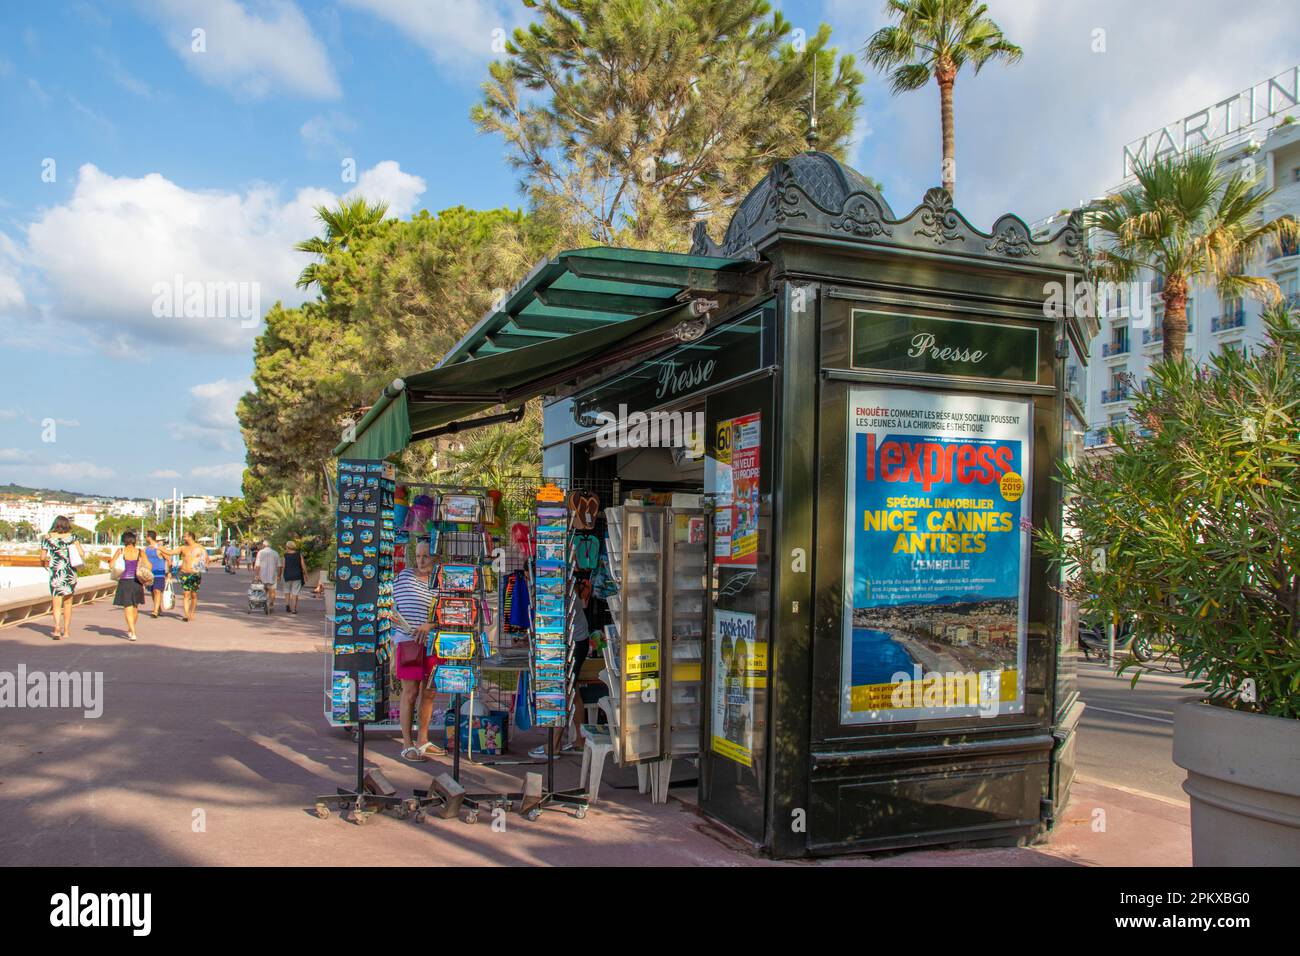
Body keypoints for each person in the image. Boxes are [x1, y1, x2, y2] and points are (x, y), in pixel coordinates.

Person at [391, 541, 446, 760]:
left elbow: (450, 610)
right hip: (408, 640)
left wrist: (430, 625)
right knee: (410, 691)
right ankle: (407, 743)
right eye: (419, 555)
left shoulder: (441, 581)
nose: (421, 560)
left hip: (433, 641)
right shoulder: (404, 576)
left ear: (435, 558)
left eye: (426, 556)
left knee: (430, 691)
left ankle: (423, 739)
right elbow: (391, 604)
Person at [530, 576, 592, 758]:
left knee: (563, 690)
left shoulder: (555, 592)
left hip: (573, 642)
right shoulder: (560, 587)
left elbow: (551, 622)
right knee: (573, 690)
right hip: (578, 640)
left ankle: (554, 744)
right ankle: (579, 740)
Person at [39, 516, 83, 641]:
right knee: (68, 603)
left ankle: (57, 627)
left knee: (56, 602)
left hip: (55, 572)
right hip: (69, 572)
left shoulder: (47, 538)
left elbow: (42, 557)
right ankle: (67, 631)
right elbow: (81, 553)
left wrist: (46, 563)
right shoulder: (72, 538)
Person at [108, 530, 150, 642]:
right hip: (137, 581)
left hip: (125, 581)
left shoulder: (121, 551)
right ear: (134, 540)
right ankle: (131, 630)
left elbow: (111, 565)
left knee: (127, 607)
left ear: (124, 540)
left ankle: (133, 631)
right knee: (135, 607)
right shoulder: (140, 552)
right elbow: (149, 565)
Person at [176, 532, 208, 622]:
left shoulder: (199, 547)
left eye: (185, 536)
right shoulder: (183, 547)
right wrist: (160, 548)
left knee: (194, 595)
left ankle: (192, 613)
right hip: (185, 573)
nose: (183, 538)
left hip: (195, 574)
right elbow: (172, 552)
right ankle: (186, 614)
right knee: (186, 594)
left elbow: (206, 558)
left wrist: (203, 565)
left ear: (190, 537)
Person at [143, 531, 173, 619]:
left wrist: (170, 572)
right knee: (152, 592)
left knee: (157, 591)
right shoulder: (146, 549)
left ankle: (155, 611)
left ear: (149, 537)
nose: (145, 538)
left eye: (146, 536)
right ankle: (158, 608)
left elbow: (168, 559)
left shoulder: (160, 548)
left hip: (159, 572)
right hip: (150, 573)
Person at [254, 540, 280, 611]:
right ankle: (271, 603)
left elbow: (257, 565)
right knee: (273, 591)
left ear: (263, 545)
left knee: (264, 590)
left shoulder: (260, 552)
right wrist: (279, 575)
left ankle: (265, 603)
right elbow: (279, 566)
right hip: (273, 575)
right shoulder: (275, 553)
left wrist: (256, 575)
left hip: (263, 575)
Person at [280, 540, 305, 613]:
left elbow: (283, 566)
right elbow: (303, 565)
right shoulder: (299, 555)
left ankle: (287, 605)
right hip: (297, 575)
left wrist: (281, 575)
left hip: (287, 575)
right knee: (295, 593)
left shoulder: (285, 555)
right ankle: (294, 609)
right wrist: (305, 574)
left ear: (287, 547)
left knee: (287, 591)